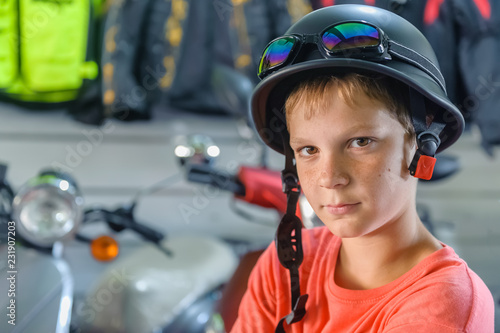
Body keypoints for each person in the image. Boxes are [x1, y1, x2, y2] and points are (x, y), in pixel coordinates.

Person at [230, 4, 494, 333]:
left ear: (425, 136)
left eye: (360, 142)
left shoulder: (443, 302)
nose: (329, 177)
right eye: (308, 150)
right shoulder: (285, 267)